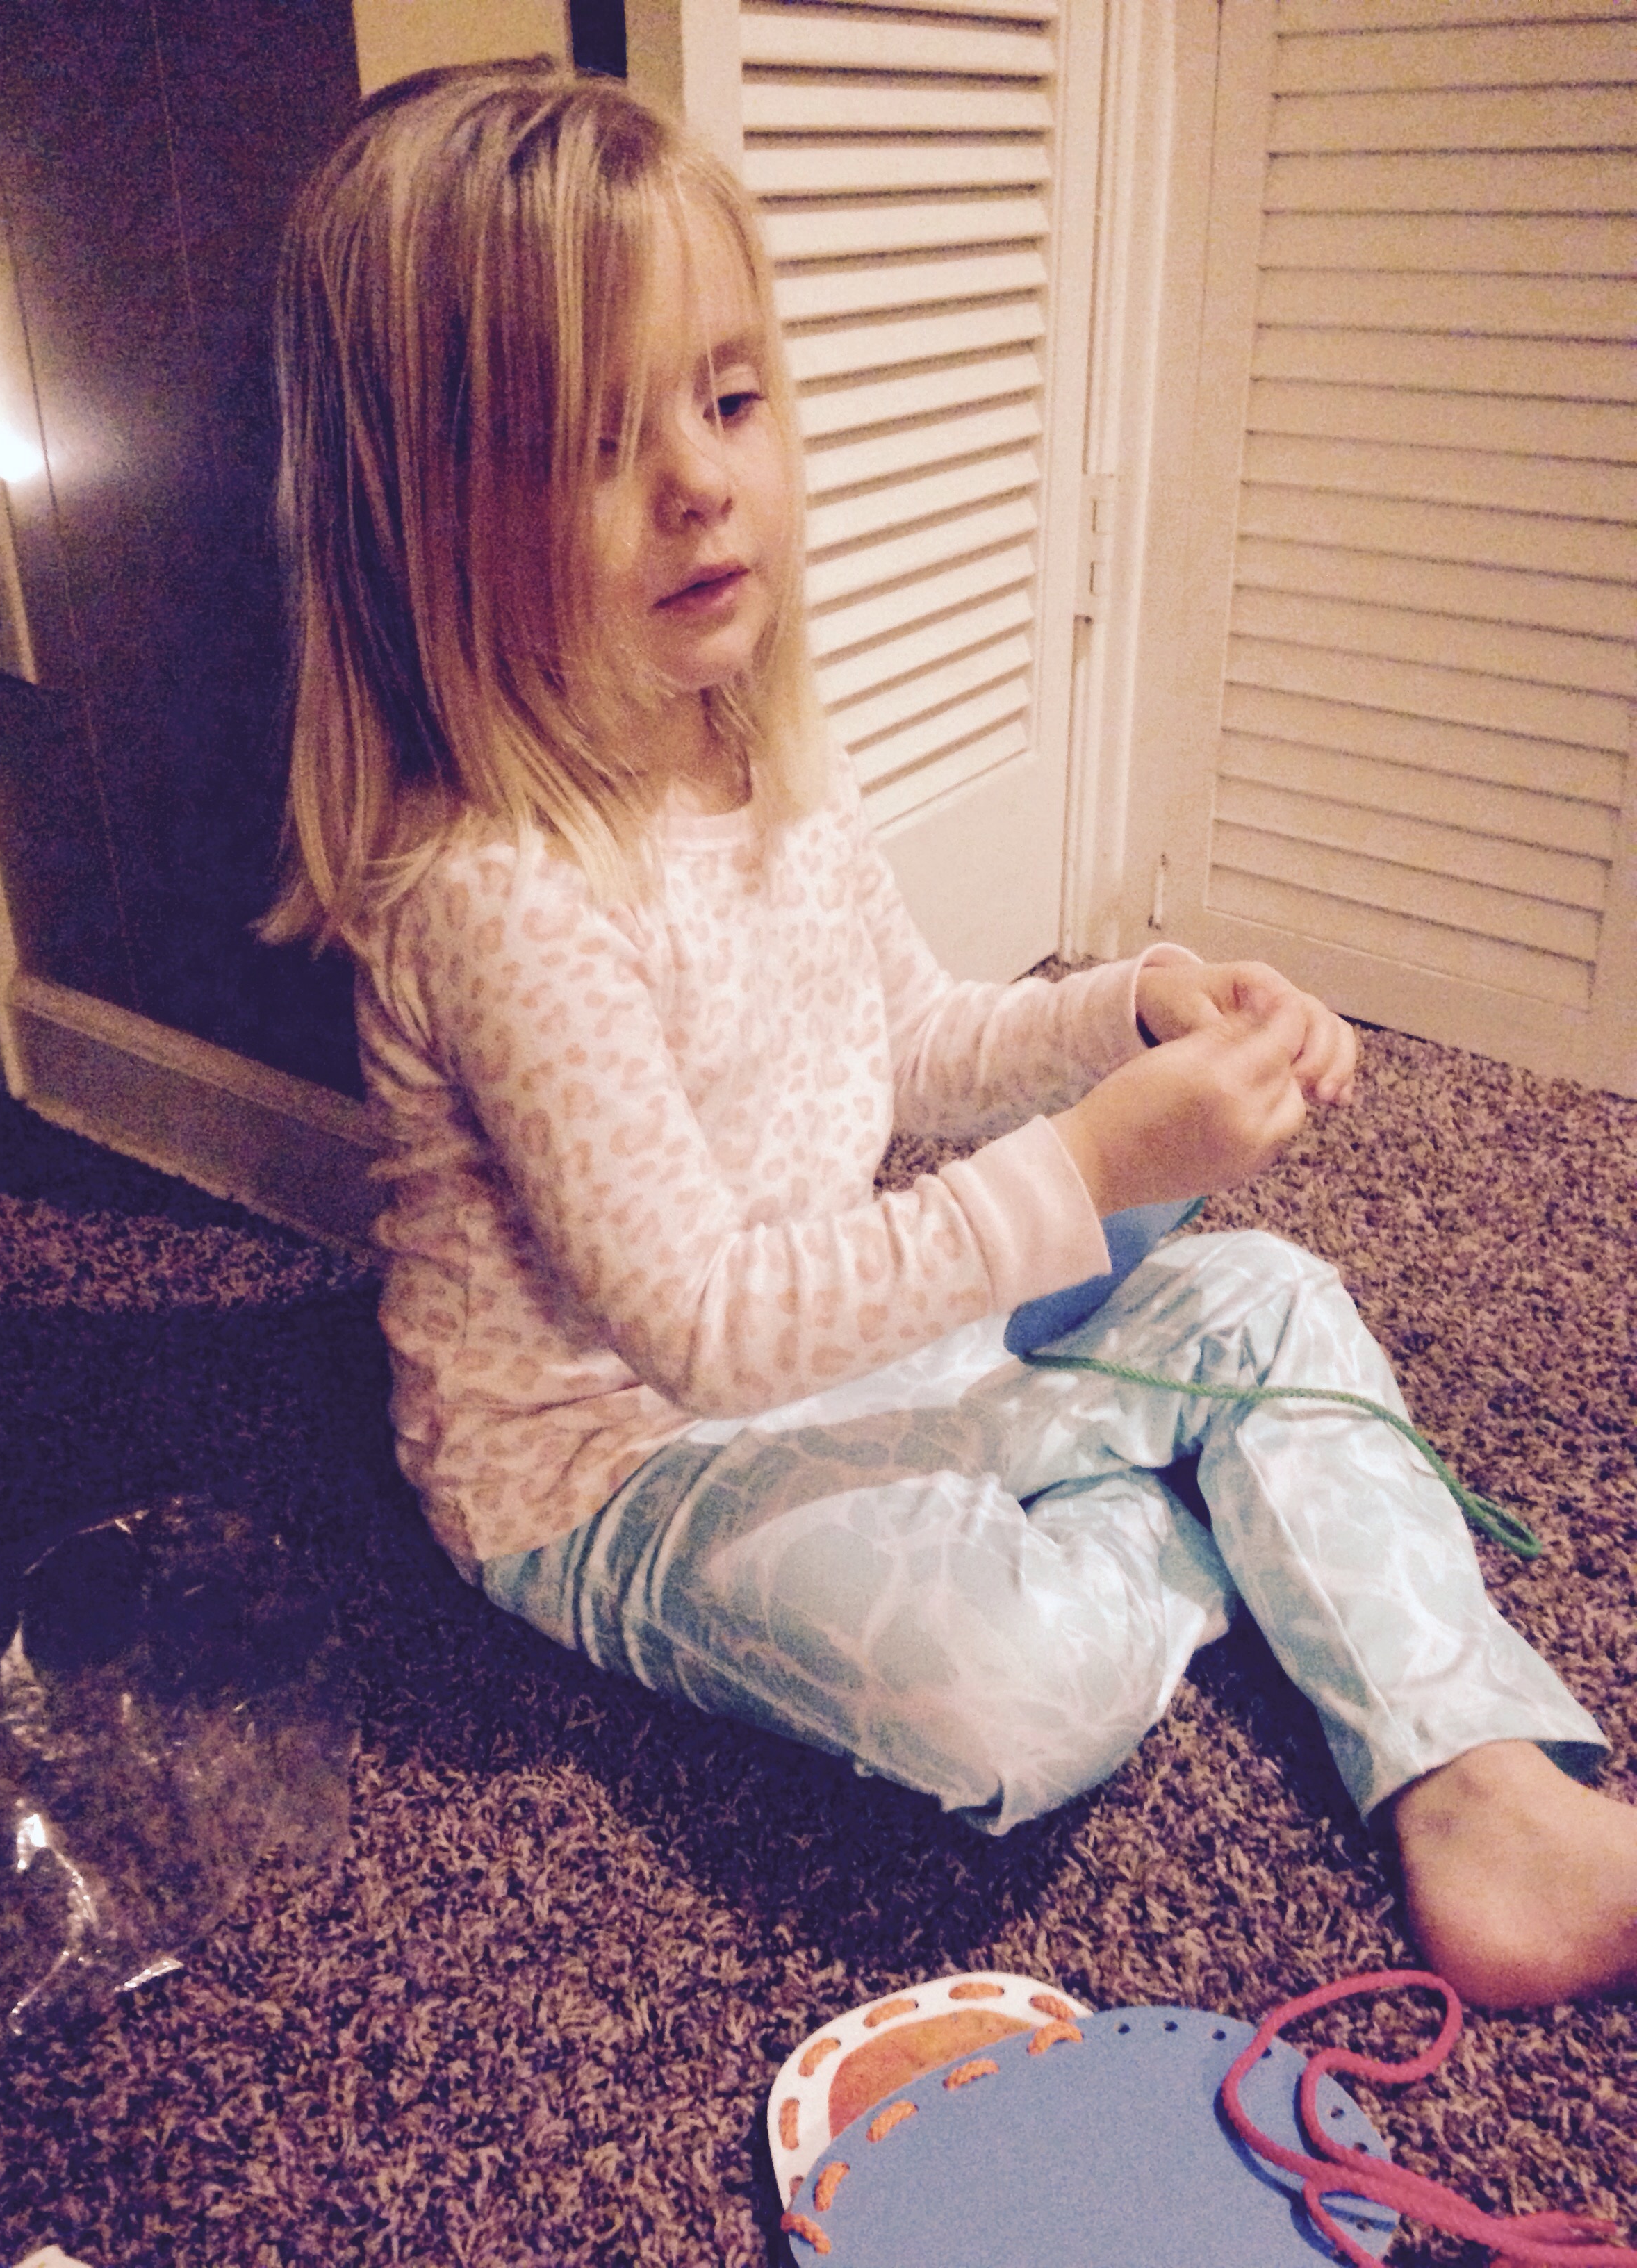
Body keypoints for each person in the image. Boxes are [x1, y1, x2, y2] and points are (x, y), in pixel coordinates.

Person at [266, 64, 1637, 2010]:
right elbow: (709, 1329)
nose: (699, 481)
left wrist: (1125, 1007)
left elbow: (908, 1042)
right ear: (423, 523)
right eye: (593, 443)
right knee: (1015, 1693)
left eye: (729, 399)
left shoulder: (755, 753)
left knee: (1269, 1306)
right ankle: (1183, 1494)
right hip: (622, 1473)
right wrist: (1090, 1175)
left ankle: (1479, 1776)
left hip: (855, 1346)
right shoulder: (497, 892)